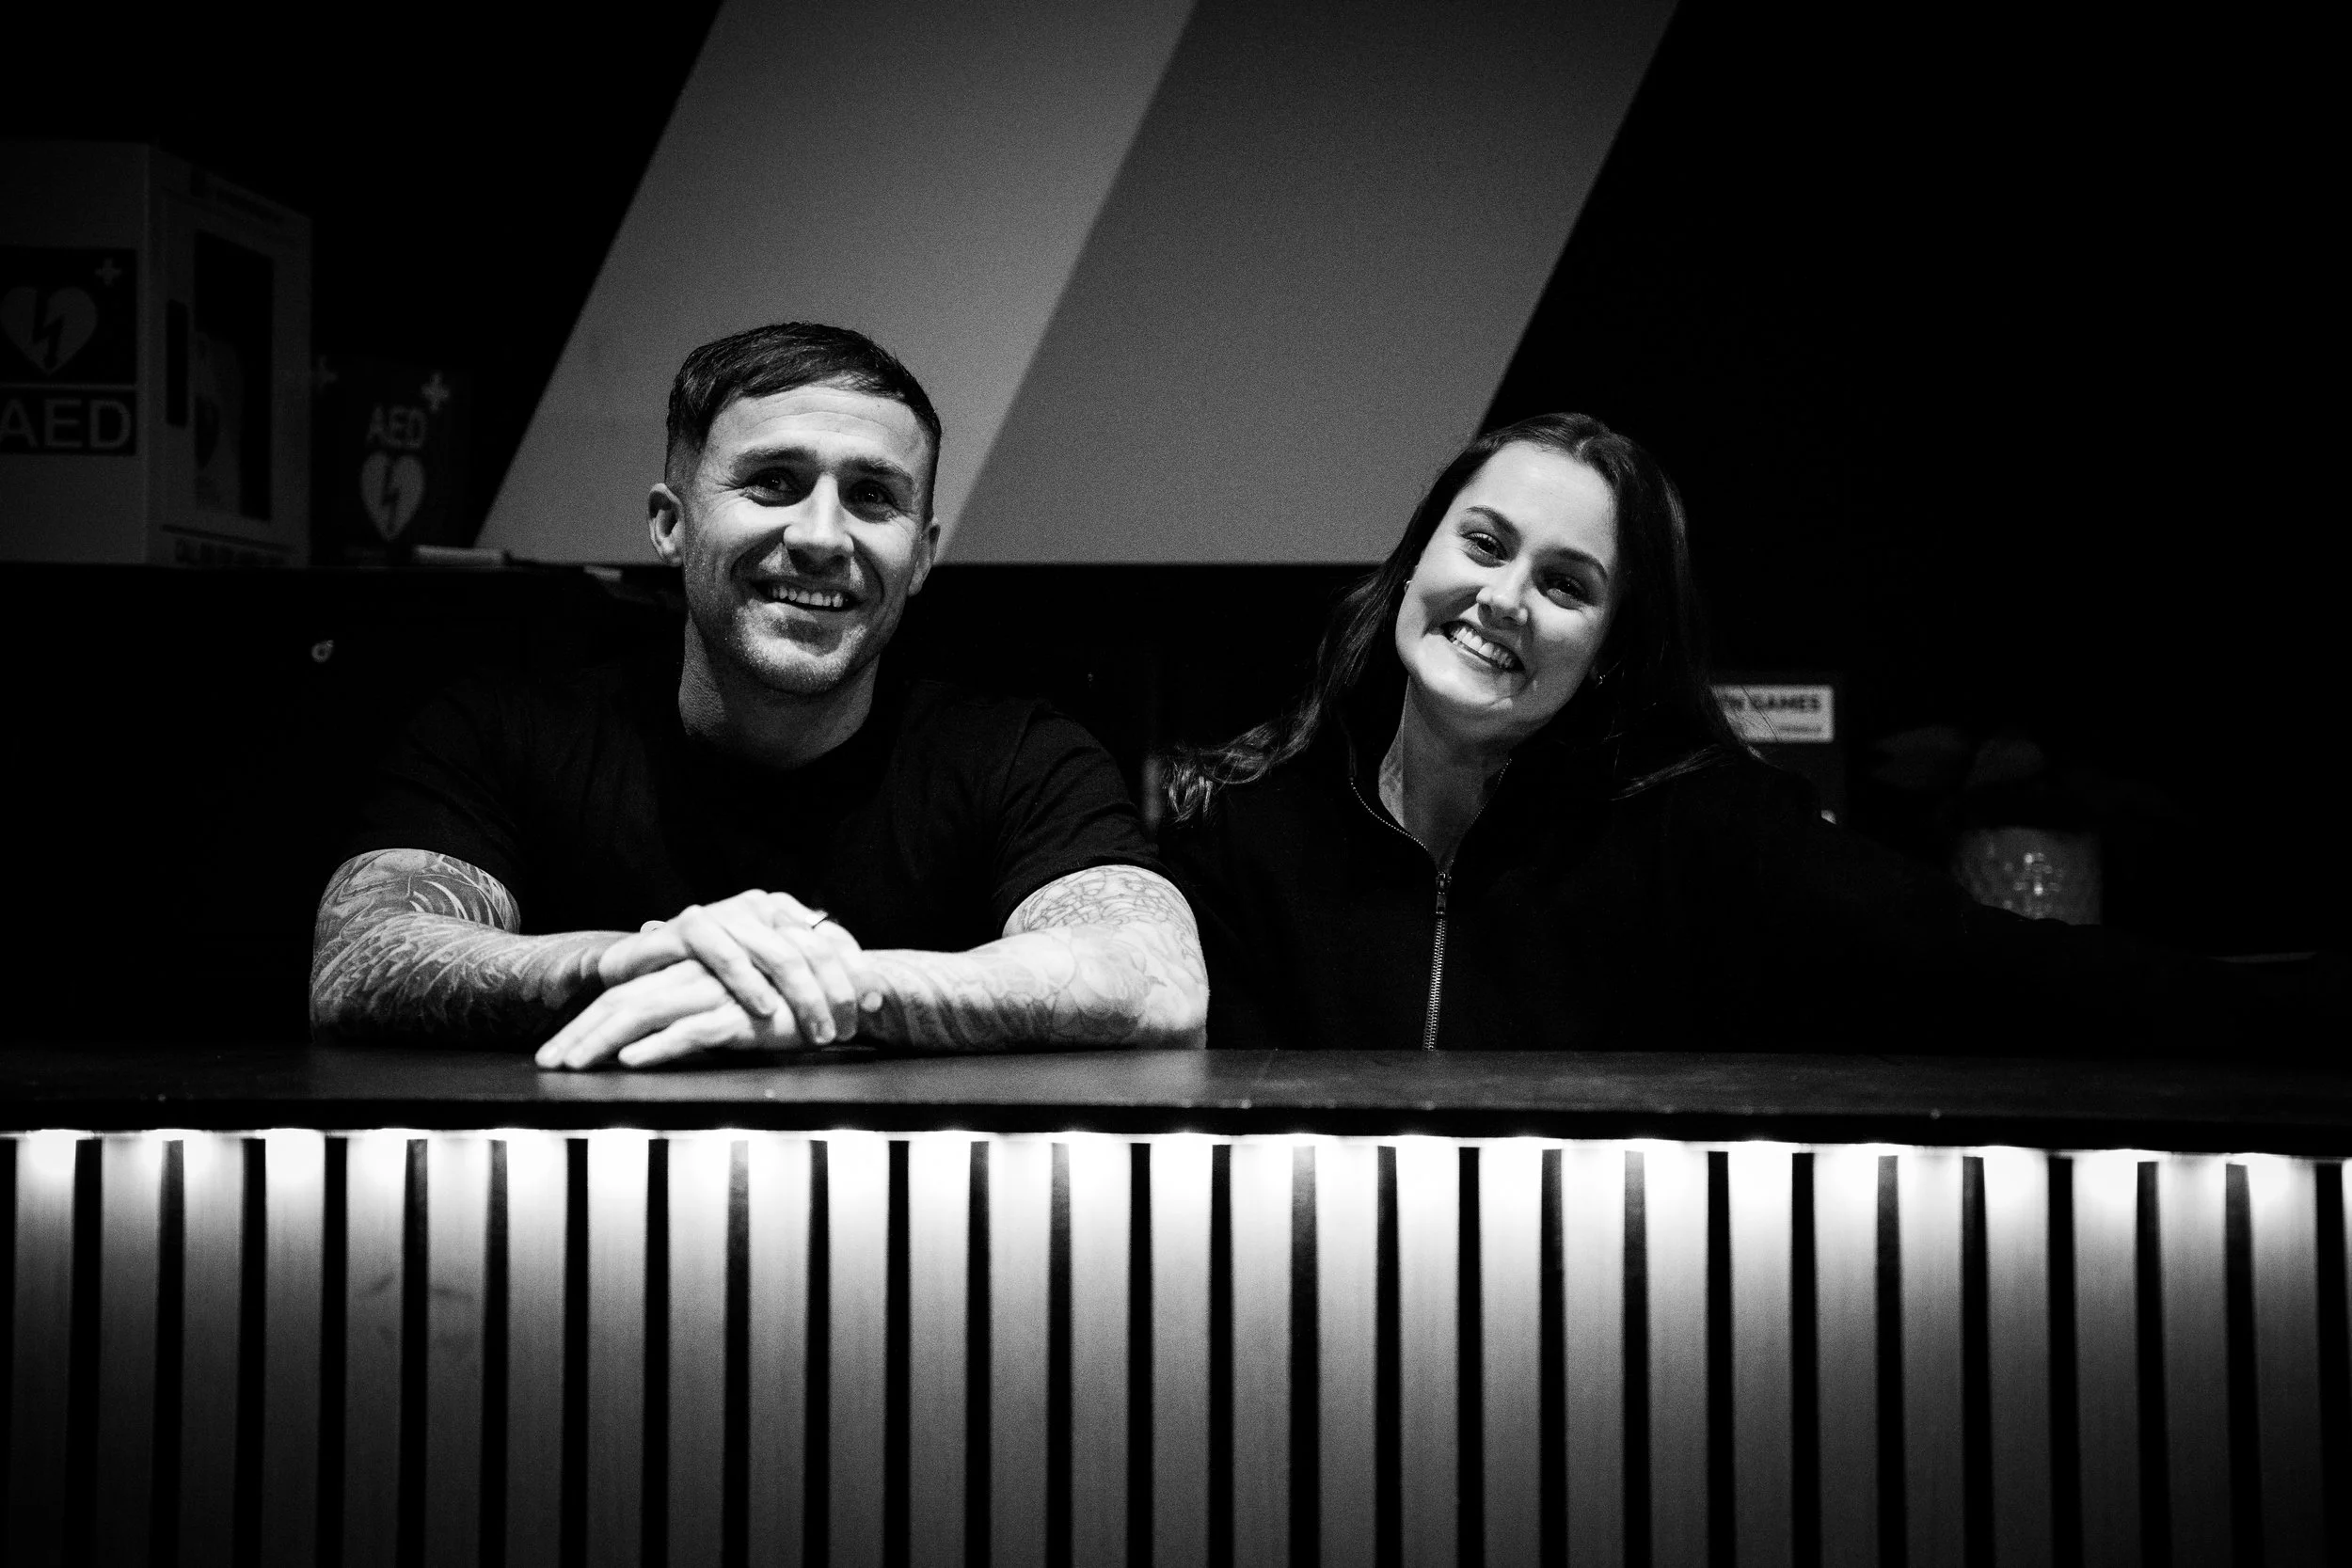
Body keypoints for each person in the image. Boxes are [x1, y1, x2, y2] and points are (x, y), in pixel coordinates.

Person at [1158, 412, 2313, 1053]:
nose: (1503, 599)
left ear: (1610, 648)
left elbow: (1988, 967)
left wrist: (2301, 1013)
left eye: (1565, 584)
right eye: (1485, 543)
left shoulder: (1703, 831)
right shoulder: (1249, 827)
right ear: (1419, 555)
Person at [312, 323, 1205, 1067]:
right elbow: (361, 954)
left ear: (922, 555)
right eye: (774, 482)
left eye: (872, 496)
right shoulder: (501, 732)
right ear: (670, 523)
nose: (821, 536)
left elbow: (1158, 978)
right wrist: (636, 961)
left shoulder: (1021, 756)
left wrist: (832, 990)